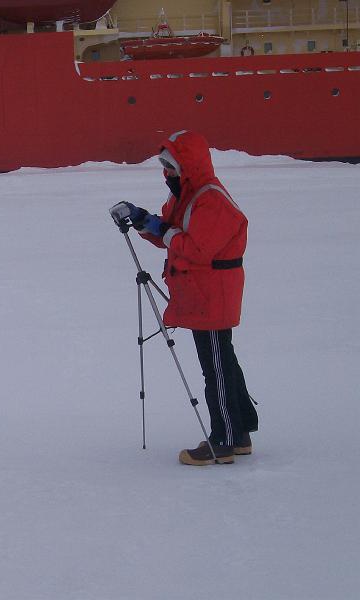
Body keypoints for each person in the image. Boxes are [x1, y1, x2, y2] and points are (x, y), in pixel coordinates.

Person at [122, 130, 258, 466]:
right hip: (202, 291)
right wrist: (143, 221)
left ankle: (224, 439)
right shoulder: (185, 194)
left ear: (189, 166)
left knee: (216, 365)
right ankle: (238, 433)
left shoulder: (210, 199)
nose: (166, 173)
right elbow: (170, 232)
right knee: (221, 358)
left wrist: (164, 231)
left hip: (213, 293)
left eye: (171, 166)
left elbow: (196, 247)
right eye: (164, 166)